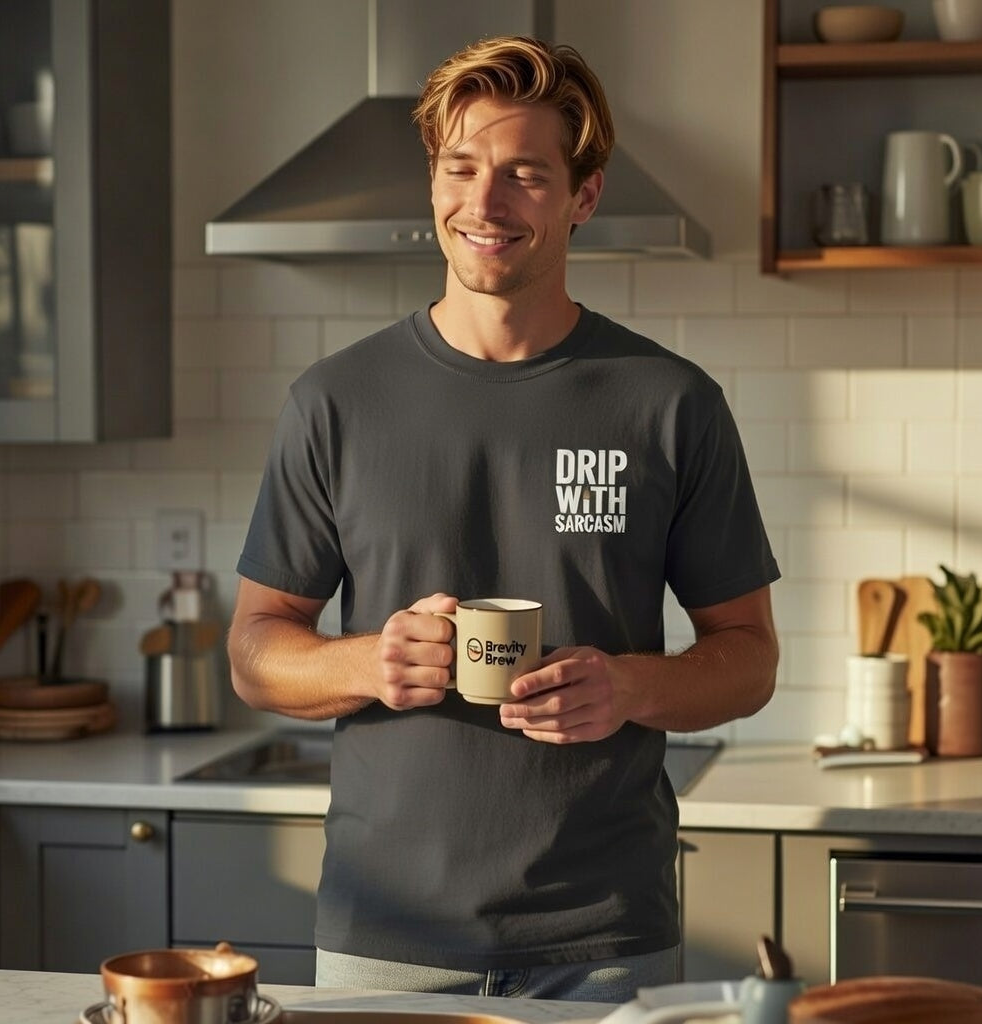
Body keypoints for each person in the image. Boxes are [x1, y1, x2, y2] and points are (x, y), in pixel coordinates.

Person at [228, 34, 780, 1003]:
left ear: (584, 195)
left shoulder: (668, 401)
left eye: (525, 174)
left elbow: (748, 656)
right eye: (462, 168)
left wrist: (627, 686)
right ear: (433, 182)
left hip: (605, 935)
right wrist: (368, 661)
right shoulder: (335, 400)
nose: (484, 205)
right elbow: (253, 649)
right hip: (385, 940)